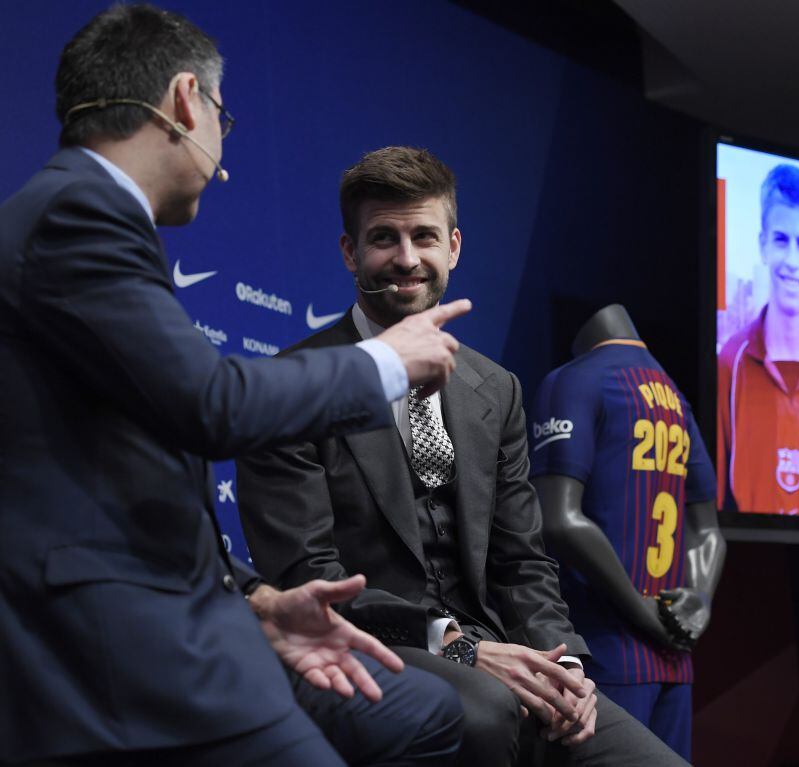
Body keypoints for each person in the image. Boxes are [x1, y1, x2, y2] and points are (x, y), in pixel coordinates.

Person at [0, 6, 468, 765]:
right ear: (188, 100)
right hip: (121, 645)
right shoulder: (78, 214)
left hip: (195, 613)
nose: (223, 154)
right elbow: (211, 405)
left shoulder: (83, 217)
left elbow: (117, 463)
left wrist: (258, 604)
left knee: (421, 713)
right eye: (223, 117)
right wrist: (387, 360)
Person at [237, 146, 691, 766]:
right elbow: (307, 577)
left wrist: (567, 666)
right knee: (483, 713)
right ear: (350, 253)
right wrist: (454, 647)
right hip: (378, 649)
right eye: (383, 238)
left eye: (424, 236)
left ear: (453, 246)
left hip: (504, 653)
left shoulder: (495, 387)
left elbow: (522, 560)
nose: (406, 258)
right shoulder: (295, 385)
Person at [529, 304, 725, 760]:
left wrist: (642, 612)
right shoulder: (673, 395)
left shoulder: (575, 379)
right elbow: (709, 528)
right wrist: (699, 604)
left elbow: (557, 518)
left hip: (604, 652)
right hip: (674, 654)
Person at [717, 163, 799, 516]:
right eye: (781, 240)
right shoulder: (729, 362)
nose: (792, 261)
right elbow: (713, 505)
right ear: (763, 245)